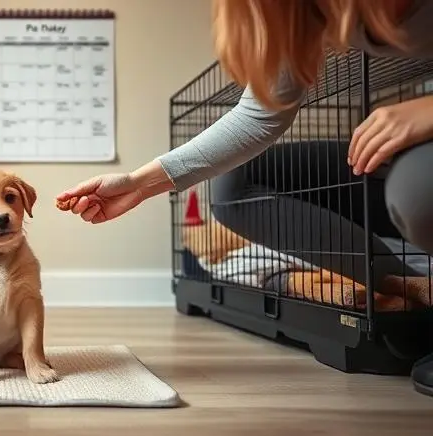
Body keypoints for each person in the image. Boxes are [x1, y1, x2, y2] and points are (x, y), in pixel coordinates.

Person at [56, 0, 433, 397]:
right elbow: (256, 117)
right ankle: (410, 293)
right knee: (235, 188)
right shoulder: (300, 13)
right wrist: (137, 184)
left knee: (415, 188)